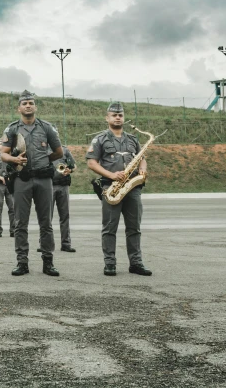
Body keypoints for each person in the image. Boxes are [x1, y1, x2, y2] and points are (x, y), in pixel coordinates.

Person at [0, 90, 63, 278]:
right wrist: (14, 160)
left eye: (31, 103)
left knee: (46, 223)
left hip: (44, 179)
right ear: (19, 107)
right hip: (22, 180)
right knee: (20, 223)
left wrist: (44, 160)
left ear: (35, 107)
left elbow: (58, 152)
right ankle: (22, 262)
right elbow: (2, 153)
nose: (28, 105)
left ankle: (48, 262)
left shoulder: (47, 128)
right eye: (24, 103)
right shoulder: (12, 129)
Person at [86, 102, 152, 277]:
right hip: (111, 187)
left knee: (134, 228)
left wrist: (143, 169)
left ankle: (136, 263)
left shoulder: (133, 139)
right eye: (114, 115)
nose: (117, 117)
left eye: (120, 115)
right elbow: (91, 162)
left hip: (133, 187)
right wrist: (111, 174)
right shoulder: (99, 139)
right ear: (107, 118)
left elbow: (141, 158)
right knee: (109, 228)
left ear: (123, 117)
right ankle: (110, 264)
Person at [51, 141, 76, 253]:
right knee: (46, 217)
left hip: (63, 186)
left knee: (65, 216)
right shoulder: (43, 150)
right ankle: (44, 244)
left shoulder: (64, 150)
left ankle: (66, 244)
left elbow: (74, 166)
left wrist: (70, 170)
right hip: (48, 186)